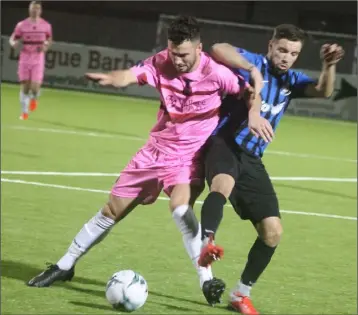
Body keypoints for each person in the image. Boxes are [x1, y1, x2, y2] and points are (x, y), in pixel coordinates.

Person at [26, 15, 266, 306]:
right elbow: (131, 74)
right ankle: (64, 265)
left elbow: (249, 94)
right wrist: (116, 79)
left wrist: (254, 112)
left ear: (199, 48)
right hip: (153, 153)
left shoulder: (219, 74)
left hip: (187, 157)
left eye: (184, 55)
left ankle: (206, 280)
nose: (177, 60)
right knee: (110, 212)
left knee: (181, 209)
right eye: (173, 53)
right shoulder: (160, 62)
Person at [197, 24, 344, 314]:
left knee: (273, 232)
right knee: (222, 185)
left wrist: (328, 66)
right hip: (225, 144)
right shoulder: (253, 63)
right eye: (282, 50)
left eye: (294, 53)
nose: (287, 57)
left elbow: (323, 91)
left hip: (252, 159)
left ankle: (240, 294)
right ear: (271, 46)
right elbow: (218, 49)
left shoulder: (291, 80)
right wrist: (251, 70)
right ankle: (207, 242)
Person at [9, 0, 52, 120]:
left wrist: (46, 47)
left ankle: (34, 98)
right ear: (29, 9)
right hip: (25, 57)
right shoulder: (21, 25)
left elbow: (49, 39)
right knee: (25, 87)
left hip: (38, 58)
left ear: (40, 10)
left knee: (35, 88)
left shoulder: (46, 25)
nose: (35, 10)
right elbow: (13, 38)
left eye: (37, 8)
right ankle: (24, 112)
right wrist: (14, 44)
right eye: (33, 8)